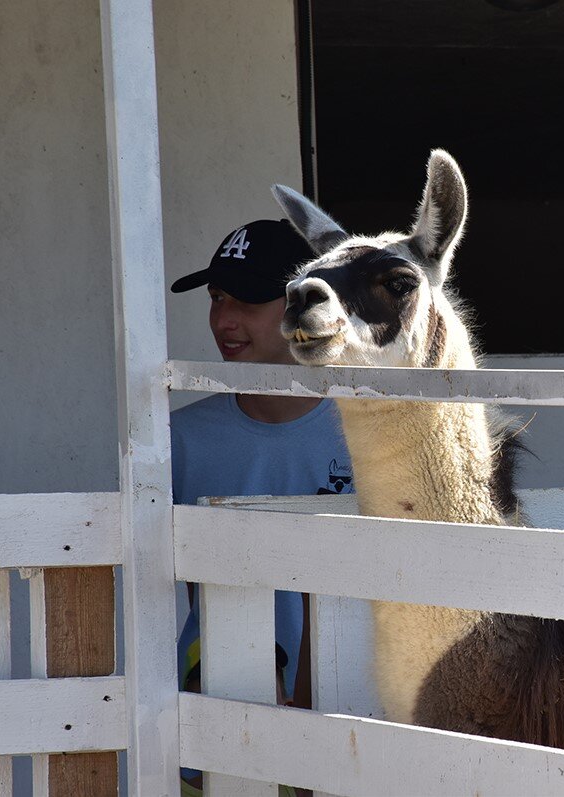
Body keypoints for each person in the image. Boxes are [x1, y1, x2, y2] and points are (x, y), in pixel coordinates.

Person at [170, 219, 353, 795]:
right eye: (218, 297)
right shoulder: (176, 439)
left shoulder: (373, 434)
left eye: (249, 299)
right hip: (213, 730)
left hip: (355, 727)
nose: (224, 319)